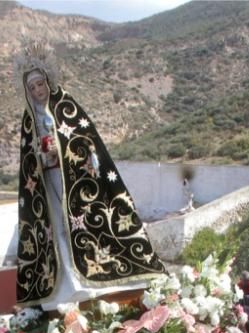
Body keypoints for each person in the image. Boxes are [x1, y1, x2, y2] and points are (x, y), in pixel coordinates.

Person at [15, 51, 165, 310]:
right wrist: (41, 157)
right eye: (33, 87)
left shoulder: (66, 106)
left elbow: (86, 142)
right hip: (46, 180)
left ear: (49, 82)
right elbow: (27, 157)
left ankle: (100, 270)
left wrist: (61, 151)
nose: (38, 90)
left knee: (81, 222)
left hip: (76, 179)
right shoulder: (29, 120)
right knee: (58, 225)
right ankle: (67, 282)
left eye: (41, 84)